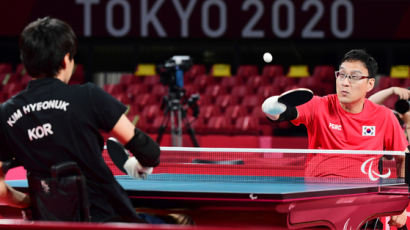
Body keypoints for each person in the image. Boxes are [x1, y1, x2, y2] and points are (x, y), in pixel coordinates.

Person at [0, 17, 160, 222]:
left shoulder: (5, 115)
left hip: (50, 224)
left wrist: (31, 202)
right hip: (111, 220)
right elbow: (149, 151)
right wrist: (138, 164)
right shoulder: (89, 97)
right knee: (182, 220)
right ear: (66, 60)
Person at [262, 49, 408, 228]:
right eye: (341, 75)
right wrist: (274, 109)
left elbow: (403, 159)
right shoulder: (319, 106)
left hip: (364, 204)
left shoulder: (384, 117)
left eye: (354, 77)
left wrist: (401, 205)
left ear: (370, 84)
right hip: (320, 200)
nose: (345, 82)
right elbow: (289, 113)